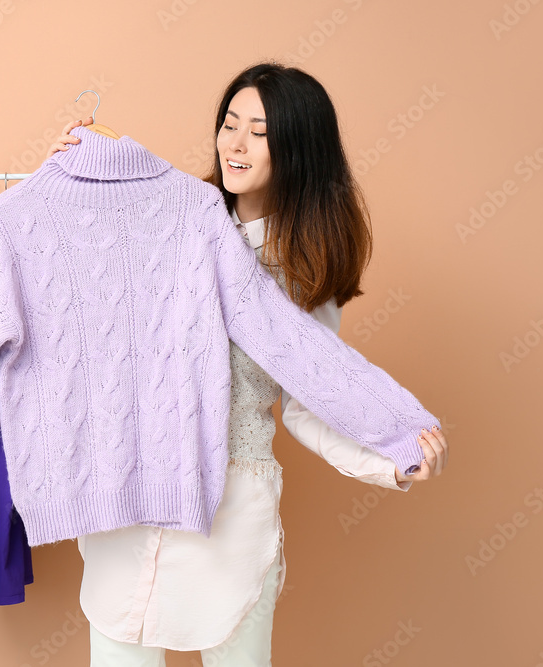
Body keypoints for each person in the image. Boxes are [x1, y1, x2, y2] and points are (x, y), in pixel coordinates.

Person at [45, 62, 449, 666]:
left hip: (229, 519)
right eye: (229, 124)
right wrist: (76, 170)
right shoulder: (172, 227)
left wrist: (389, 459)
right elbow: (87, 285)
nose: (235, 144)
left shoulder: (300, 273)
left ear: (298, 149)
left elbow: (312, 399)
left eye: (259, 132)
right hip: (132, 499)